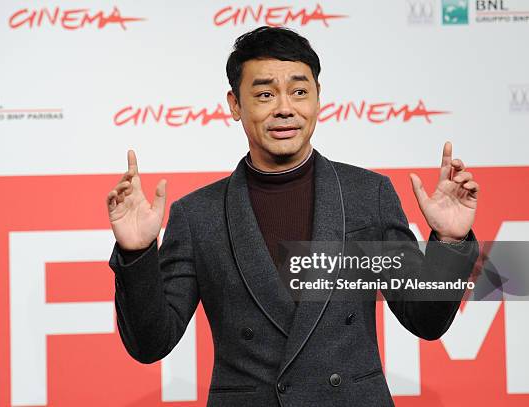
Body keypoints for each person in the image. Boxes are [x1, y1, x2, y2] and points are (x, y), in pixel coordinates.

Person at [106, 26, 479, 407]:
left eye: (299, 91)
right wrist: (136, 253)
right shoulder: (198, 215)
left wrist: (450, 243)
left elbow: (426, 322)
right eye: (265, 94)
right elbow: (150, 344)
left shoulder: (369, 195)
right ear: (235, 105)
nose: (285, 108)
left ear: (318, 99)